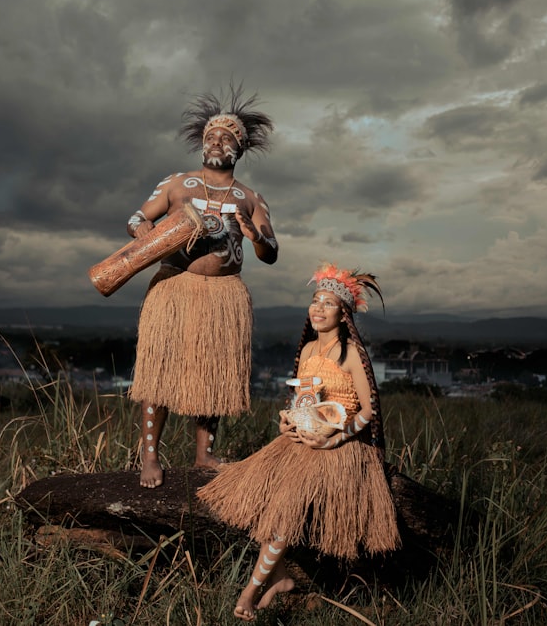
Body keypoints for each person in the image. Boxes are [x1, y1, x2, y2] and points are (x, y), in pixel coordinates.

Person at [197, 263, 400, 621]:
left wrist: (337, 437)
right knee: (260, 500)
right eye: (314, 301)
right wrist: (287, 421)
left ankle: (249, 591)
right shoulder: (307, 352)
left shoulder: (351, 354)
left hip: (339, 447)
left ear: (343, 313)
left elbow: (369, 410)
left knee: (284, 511)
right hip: (300, 441)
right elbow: (300, 400)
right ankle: (281, 579)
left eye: (329, 304)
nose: (319, 309)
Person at [127, 86, 278, 489]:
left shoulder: (250, 197)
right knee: (158, 373)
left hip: (225, 295)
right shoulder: (177, 184)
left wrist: (256, 236)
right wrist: (144, 230)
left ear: (239, 148)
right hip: (174, 288)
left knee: (214, 373)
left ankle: (204, 454)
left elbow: (271, 251)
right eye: (211, 136)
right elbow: (136, 217)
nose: (216, 141)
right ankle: (150, 457)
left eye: (226, 137)